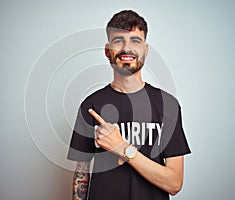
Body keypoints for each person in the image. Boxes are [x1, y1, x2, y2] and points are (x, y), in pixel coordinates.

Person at [67, 10, 191, 200]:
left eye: (135, 40)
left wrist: (122, 147)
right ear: (108, 51)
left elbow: (174, 184)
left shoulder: (168, 105)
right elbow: (81, 176)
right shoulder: (91, 105)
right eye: (118, 40)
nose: (127, 48)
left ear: (145, 50)